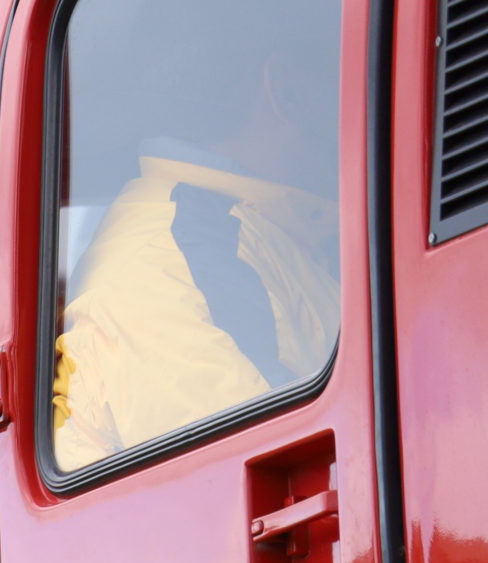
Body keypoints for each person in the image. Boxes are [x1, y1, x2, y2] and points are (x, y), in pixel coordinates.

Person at [49, 0, 342, 471]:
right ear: (288, 93)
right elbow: (282, 480)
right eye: (339, 70)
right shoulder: (167, 265)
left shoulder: (250, 235)